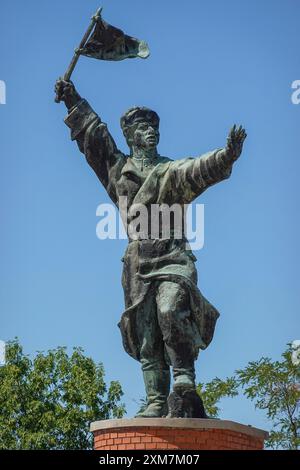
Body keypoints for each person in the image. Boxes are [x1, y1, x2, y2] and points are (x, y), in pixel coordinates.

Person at [55, 79, 247, 417]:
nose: (151, 132)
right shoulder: (118, 170)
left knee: (171, 309)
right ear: (130, 136)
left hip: (173, 254)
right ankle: (156, 399)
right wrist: (72, 99)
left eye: (153, 126)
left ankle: (184, 377)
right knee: (146, 335)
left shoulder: (170, 171)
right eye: (143, 128)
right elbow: (93, 139)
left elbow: (199, 168)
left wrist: (226, 154)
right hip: (138, 262)